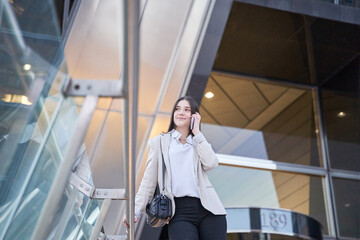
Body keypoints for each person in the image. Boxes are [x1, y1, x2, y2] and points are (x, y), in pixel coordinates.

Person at [124, 96, 227, 240]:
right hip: (179, 212)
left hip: (209, 210)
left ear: (194, 116)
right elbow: (149, 181)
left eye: (186, 110)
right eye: (177, 109)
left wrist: (197, 132)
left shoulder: (197, 141)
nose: (180, 113)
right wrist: (136, 211)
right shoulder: (159, 142)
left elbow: (211, 163)